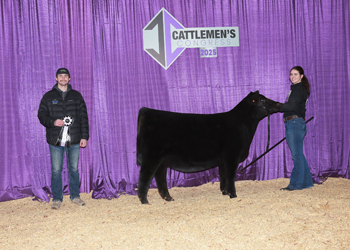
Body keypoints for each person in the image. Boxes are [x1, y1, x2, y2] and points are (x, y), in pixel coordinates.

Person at [38, 68, 89, 209]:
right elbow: (41, 115)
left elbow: (83, 117)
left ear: (69, 79)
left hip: (74, 139)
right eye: (60, 76)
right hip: (55, 140)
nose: (63, 78)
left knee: (74, 169)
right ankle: (57, 198)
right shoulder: (48, 97)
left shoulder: (77, 96)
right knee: (56, 170)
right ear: (56, 78)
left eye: (65, 76)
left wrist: (84, 136)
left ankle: (75, 196)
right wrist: (53, 122)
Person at [279, 66, 314, 191]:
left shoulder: (298, 89)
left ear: (301, 76)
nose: (292, 77)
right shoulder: (297, 89)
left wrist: (275, 106)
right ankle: (306, 183)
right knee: (298, 154)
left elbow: (290, 106)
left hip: (294, 123)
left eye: (295, 74)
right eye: (291, 74)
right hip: (296, 123)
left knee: (296, 155)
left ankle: (296, 184)